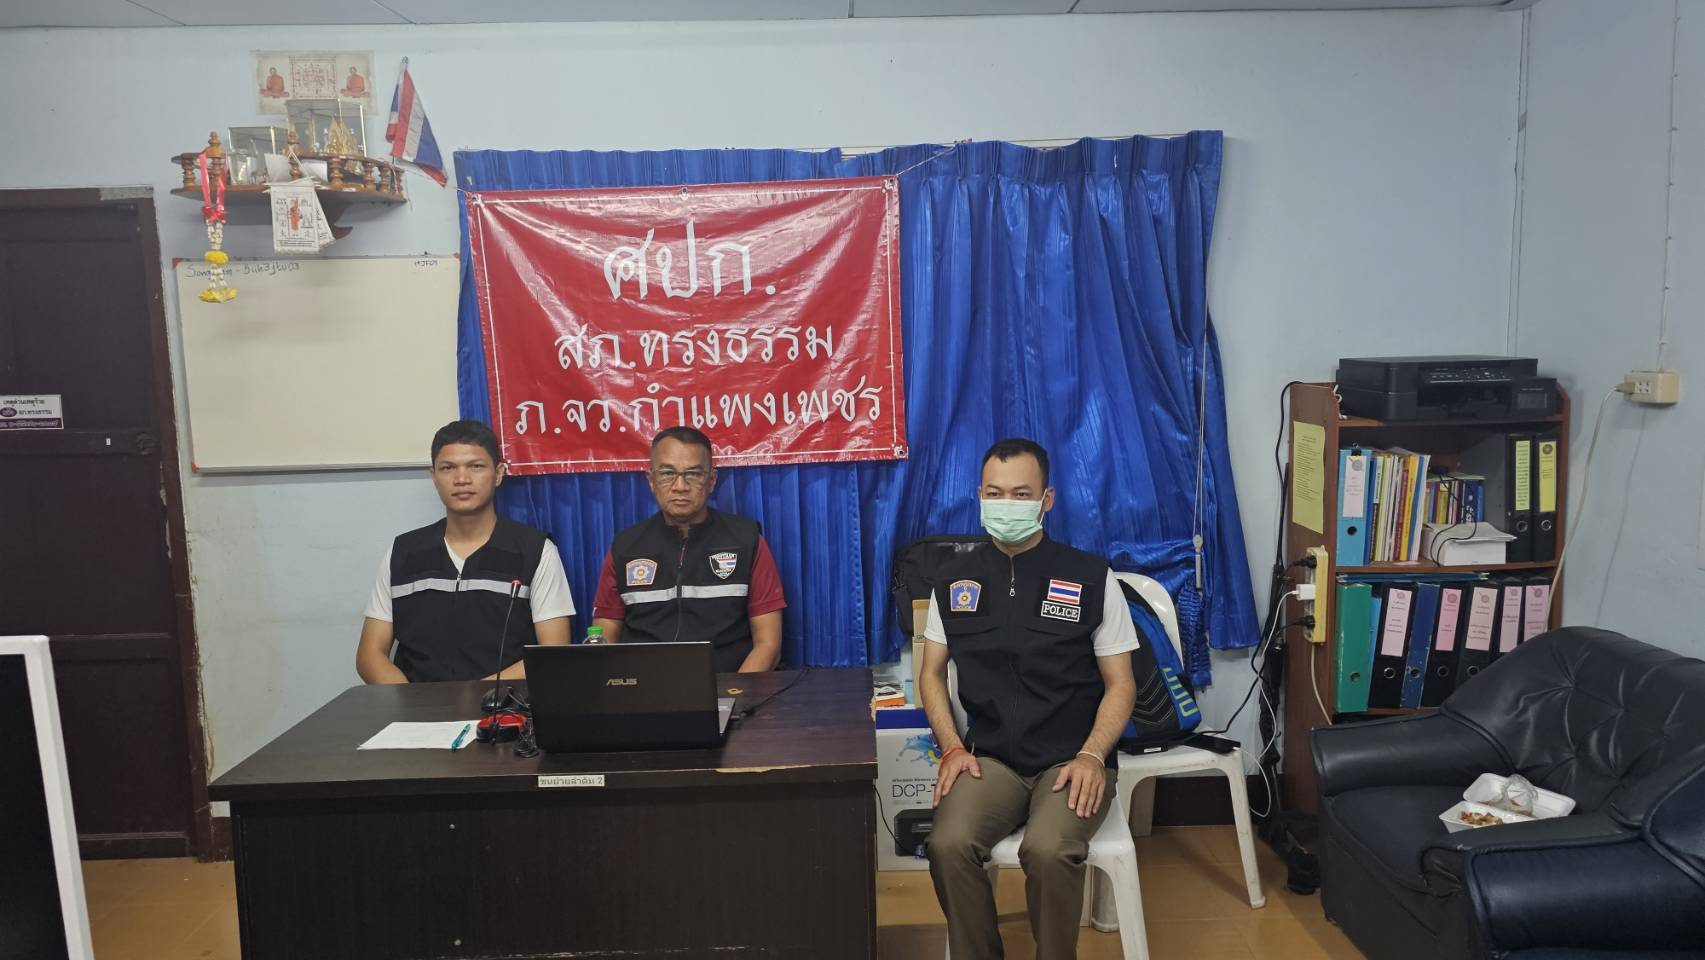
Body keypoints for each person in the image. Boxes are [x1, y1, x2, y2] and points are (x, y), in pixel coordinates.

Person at [919, 438, 1139, 960]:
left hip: (1071, 759)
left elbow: (1121, 684)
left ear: (1047, 500)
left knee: (1048, 849)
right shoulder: (953, 581)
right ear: (979, 496)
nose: (1007, 504)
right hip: (990, 760)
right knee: (947, 845)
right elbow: (931, 674)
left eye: (1021, 494)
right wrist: (951, 747)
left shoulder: (1090, 577)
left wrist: (1093, 756)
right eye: (995, 493)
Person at [356, 420, 572, 684]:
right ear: (434, 476)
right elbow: (370, 656)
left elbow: (552, 653)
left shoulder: (535, 551)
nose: (461, 479)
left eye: (476, 466)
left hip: (503, 704)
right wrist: (415, 702)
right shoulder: (403, 552)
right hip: (416, 706)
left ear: (499, 473)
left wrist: (475, 697)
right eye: (448, 468)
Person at [590, 427, 785, 673]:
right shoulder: (624, 547)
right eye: (667, 473)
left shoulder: (747, 541)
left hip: (728, 687)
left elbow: (768, 645)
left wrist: (734, 693)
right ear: (651, 480)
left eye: (693, 474)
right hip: (643, 689)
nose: (680, 486)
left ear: (711, 481)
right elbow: (603, 641)